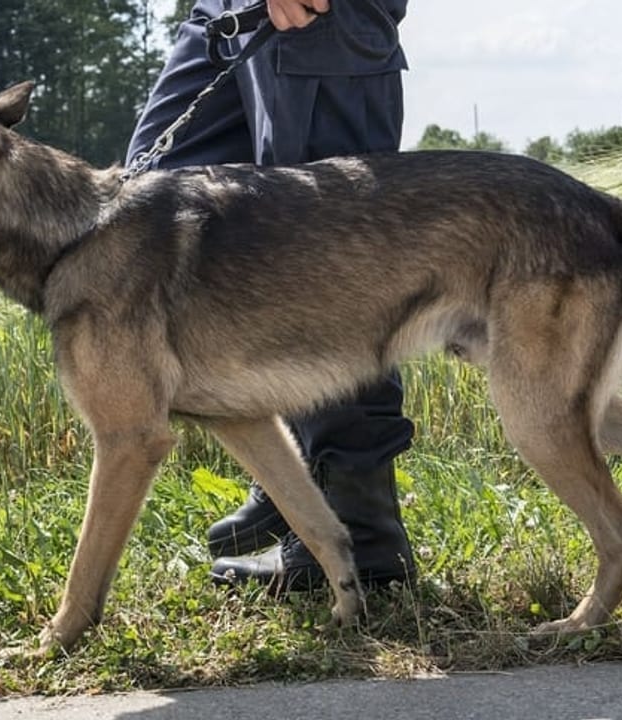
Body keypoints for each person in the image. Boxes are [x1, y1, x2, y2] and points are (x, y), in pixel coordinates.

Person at [125, 0, 415, 591]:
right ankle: (296, 480)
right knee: (153, 201)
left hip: (325, 27)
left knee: (327, 269)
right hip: (226, 13)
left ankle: (362, 535)